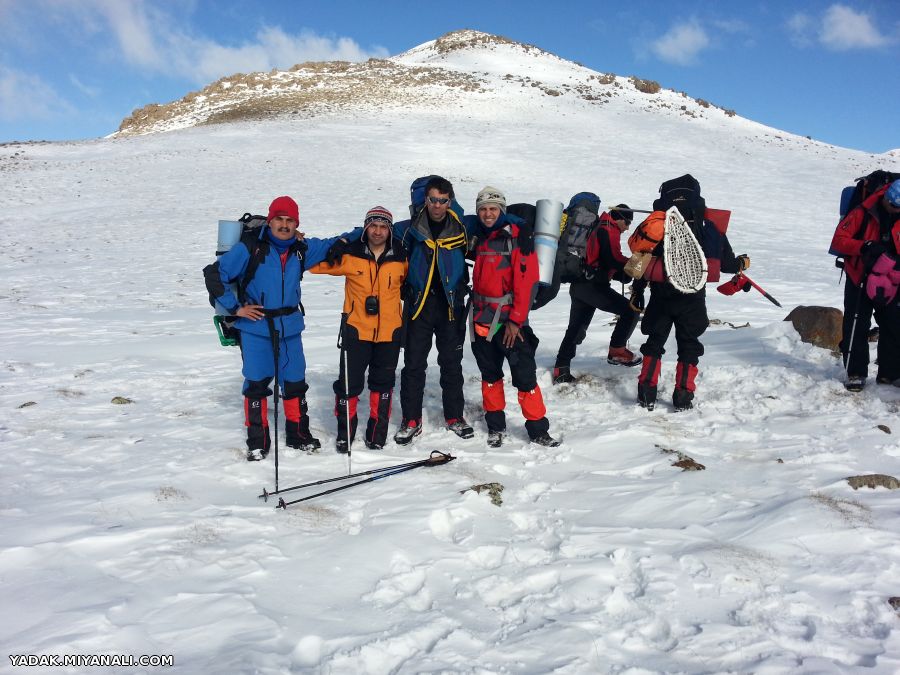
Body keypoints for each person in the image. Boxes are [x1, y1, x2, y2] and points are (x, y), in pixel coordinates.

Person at [206, 196, 340, 460]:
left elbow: (333, 243)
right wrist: (235, 309)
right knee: (256, 384)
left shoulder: (301, 249)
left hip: (289, 327)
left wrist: (367, 229)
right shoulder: (250, 248)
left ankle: (298, 434)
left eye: (290, 220)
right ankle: (258, 441)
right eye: (279, 219)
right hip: (255, 328)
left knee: (295, 384)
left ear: (296, 224)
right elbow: (214, 274)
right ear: (270, 220)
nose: (284, 224)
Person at [631, 175, 749, 411]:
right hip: (693, 296)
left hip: (661, 292)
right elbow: (725, 264)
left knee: (654, 341)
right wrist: (742, 264)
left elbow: (641, 258)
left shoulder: (660, 221)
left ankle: (646, 394)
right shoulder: (709, 225)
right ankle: (683, 397)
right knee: (689, 344)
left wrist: (637, 290)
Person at [380, 176, 478, 444]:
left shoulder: (461, 227)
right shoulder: (409, 228)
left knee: (451, 363)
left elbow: (499, 221)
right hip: (418, 305)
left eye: (443, 201)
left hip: (450, 306)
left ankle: (454, 416)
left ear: (450, 201)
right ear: (426, 199)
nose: (437, 205)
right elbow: (373, 232)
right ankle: (411, 420)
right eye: (433, 199)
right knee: (413, 364)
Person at [309, 206, 408, 452]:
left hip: (390, 332)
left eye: (383, 226)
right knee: (348, 384)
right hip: (356, 330)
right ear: (365, 228)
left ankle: (377, 433)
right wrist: (303, 243)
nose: (377, 231)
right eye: (372, 226)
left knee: (383, 383)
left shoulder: (401, 257)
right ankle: (346, 433)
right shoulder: (350, 255)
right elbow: (313, 264)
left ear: (389, 230)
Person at [469, 186, 560, 448]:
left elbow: (527, 282)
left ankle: (538, 430)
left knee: (525, 376)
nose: (488, 214)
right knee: (490, 376)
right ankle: (495, 427)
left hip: (511, 323)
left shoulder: (519, 238)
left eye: (493, 209)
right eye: (483, 209)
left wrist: (516, 320)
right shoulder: (479, 235)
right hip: (481, 321)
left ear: (502, 210)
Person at [552, 203, 643, 383]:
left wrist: (619, 275)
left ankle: (561, 369)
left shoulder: (600, 227)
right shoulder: (608, 229)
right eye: (627, 223)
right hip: (592, 287)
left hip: (581, 284)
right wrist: (636, 266)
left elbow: (601, 260)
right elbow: (612, 258)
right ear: (620, 219)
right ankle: (617, 351)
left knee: (576, 328)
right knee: (630, 311)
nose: (627, 229)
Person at [830, 178, 900, 390]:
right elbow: (838, 240)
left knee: (894, 325)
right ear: (886, 198)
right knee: (857, 323)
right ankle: (856, 373)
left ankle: (890, 374)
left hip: (892, 279)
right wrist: (865, 246)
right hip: (859, 274)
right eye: (894, 206)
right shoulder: (863, 211)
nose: (896, 210)